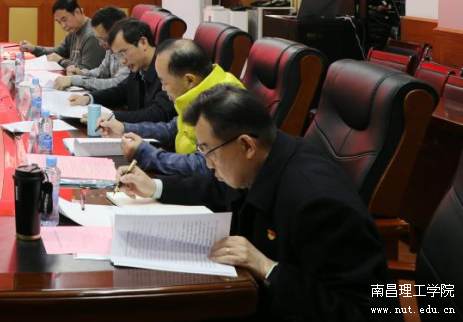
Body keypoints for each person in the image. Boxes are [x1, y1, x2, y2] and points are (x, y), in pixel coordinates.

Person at [117, 84, 396, 322]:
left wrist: (267, 267)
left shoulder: (317, 203)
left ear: (246, 145)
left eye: (209, 152)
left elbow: (369, 310)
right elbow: (216, 188)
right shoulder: (265, 157)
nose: (208, 164)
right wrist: (155, 187)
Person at [98, 37, 243, 176]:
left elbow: (203, 165)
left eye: (164, 82)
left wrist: (148, 154)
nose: (163, 88)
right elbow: (172, 129)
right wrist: (123, 128)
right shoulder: (198, 90)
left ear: (189, 80)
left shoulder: (224, 102)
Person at [68, 18, 175, 124]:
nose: (122, 61)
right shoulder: (139, 65)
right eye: (118, 55)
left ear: (143, 42)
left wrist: (112, 117)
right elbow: (122, 91)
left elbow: (156, 114)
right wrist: (89, 98)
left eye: (123, 53)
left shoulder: (167, 68)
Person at [53, 6, 129, 93]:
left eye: (103, 39)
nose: (100, 43)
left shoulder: (129, 53)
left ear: (117, 33)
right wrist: (82, 73)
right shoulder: (110, 48)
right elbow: (102, 71)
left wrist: (76, 80)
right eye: (98, 38)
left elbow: (116, 84)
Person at [19, 0, 104, 71]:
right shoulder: (73, 31)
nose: (63, 26)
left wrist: (61, 61)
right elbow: (57, 52)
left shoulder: (92, 36)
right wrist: (33, 49)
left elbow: (87, 72)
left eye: (64, 19)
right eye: (59, 22)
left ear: (77, 12)